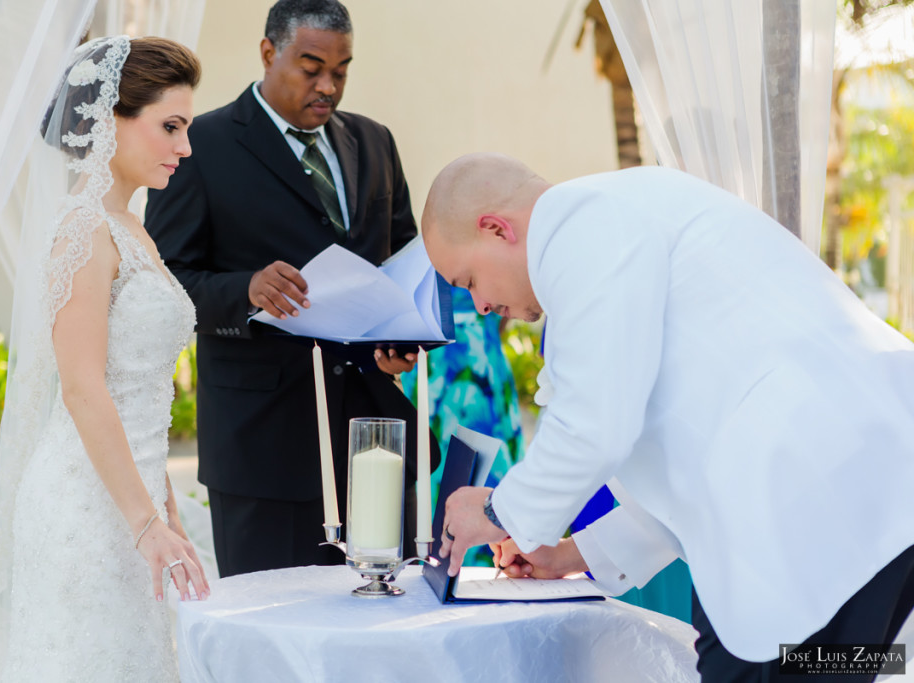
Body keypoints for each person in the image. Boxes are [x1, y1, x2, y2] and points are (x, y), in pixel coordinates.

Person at [425, 153, 914, 682]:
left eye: (468, 279)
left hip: (807, 509)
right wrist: (572, 553)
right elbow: (675, 452)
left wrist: (498, 510)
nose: (477, 305)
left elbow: (593, 429)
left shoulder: (578, 224)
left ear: (496, 229)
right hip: (877, 498)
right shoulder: (631, 209)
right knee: (834, 670)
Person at [145, 0, 439, 578]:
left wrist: (405, 340)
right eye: (311, 67)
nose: (328, 86)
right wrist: (245, 289)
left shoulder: (375, 142)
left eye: (342, 69)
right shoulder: (199, 147)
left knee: (381, 626)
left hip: (372, 438)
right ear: (268, 52)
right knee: (271, 635)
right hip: (263, 447)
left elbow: (406, 263)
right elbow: (162, 282)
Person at [0, 36, 209, 682]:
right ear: (111, 118)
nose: (184, 148)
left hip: (131, 499)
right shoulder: (85, 230)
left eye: (186, 128)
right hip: (84, 507)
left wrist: (165, 509)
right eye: (170, 126)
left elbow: (141, 395)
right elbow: (85, 390)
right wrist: (147, 526)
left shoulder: (133, 228)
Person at [399, 286, 524, 567]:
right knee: (433, 471)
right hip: (436, 368)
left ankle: (499, 560)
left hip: (476, 363)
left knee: (489, 471)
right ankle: (441, 564)